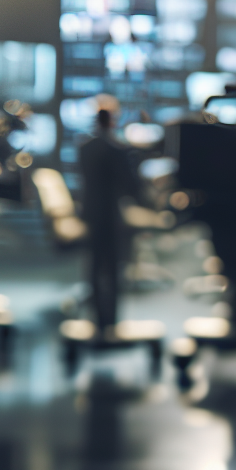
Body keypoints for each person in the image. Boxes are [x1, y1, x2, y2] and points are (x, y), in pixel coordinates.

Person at [79, 108, 138, 335]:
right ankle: (111, 320)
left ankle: (96, 319)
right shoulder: (117, 150)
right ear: (112, 122)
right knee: (113, 268)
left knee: (94, 265)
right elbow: (131, 187)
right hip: (112, 216)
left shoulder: (85, 148)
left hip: (91, 213)